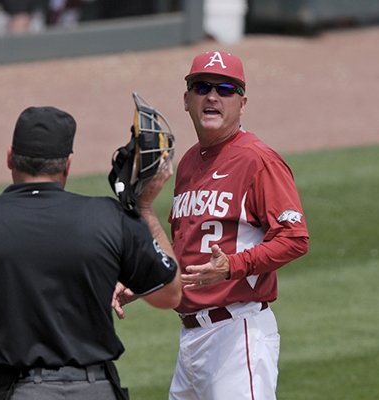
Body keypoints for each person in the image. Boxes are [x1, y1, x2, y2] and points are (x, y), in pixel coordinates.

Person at [0, 106, 182, 400]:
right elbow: (170, 294)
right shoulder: (109, 218)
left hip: (18, 393)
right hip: (97, 391)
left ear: (9, 157)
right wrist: (143, 209)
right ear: (68, 164)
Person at [115, 51, 309, 400]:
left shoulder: (257, 159)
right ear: (186, 99)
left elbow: (295, 238)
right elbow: (187, 252)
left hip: (237, 336)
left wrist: (232, 266)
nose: (213, 96)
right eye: (202, 86)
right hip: (191, 341)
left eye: (226, 88)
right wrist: (141, 283)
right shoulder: (189, 163)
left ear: (242, 102)